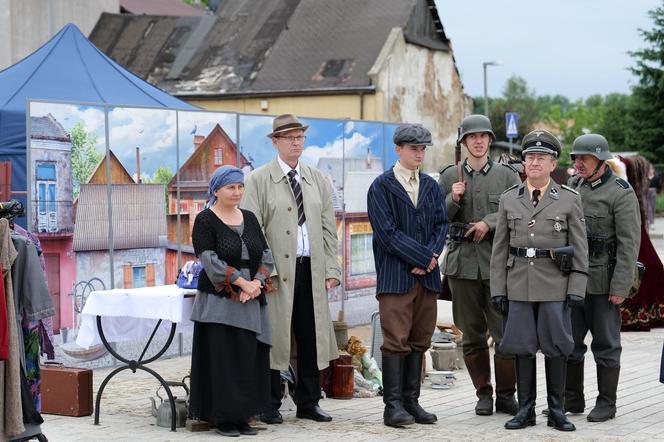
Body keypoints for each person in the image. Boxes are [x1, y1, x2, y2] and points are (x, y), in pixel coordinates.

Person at [241, 114, 341, 424]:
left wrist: (332, 269)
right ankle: (269, 403)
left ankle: (309, 402)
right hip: (275, 274)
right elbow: (251, 231)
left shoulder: (317, 179)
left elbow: (327, 229)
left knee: (311, 336)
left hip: (311, 268)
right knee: (275, 337)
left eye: (300, 137)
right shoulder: (258, 179)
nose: (296, 143)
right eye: (289, 138)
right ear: (275, 142)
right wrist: (262, 272)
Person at [490, 129, 588, 432]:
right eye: (530, 157)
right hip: (519, 283)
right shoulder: (509, 199)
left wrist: (576, 288)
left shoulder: (569, 200)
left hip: (555, 284)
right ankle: (527, 410)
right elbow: (499, 249)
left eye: (541, 158)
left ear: (552, 163)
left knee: (557, 346)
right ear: (523, 163)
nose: (534, 162)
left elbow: (580, 249)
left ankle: (557, 410)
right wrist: (498, 289)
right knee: (521, 346)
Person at [438, 115, 521, 416]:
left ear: (489, 140)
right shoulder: (449, 176)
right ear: (463, 142)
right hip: (462, 266)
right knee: (471, 335)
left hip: (498, 266)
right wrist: (453, 199)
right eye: (472, 137)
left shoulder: (507, 176)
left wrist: (489, 221)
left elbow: (519, 213)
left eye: (483, 136)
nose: (478, 141)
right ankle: (483, 393)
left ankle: (507, 395)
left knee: (505, 334)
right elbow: (438, 217)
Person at [367, 123, 448, 427]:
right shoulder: (381, 187)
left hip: (426, 277)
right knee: (395, 341)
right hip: (395, 278)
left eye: (423, 148)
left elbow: (442, 225)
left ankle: (412, 403)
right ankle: (392, 407)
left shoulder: (429, 184)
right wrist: (423, 257)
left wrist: (430, 259)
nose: (419, 153)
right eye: (414, 148)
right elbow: (387, 234)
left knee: (420, 340)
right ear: (398, 149)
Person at [188, 165, 274, 437]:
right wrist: (242, 282)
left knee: (247, 359)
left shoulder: (249, 218)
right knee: (223, 359)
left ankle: (243, 416)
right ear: (217, 190)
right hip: (220, 302)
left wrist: (257, 283)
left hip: (251, 299)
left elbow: (266, 254)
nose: (237, 192)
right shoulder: (205, 220)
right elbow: (209, 259)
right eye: (231, 187)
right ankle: (222, 417)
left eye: (240, 186)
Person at [565, 134, 640, 421]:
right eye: (576, 158)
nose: (578, 163)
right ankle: (572, 399)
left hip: (604, 282)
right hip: (574, 280)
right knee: (569, 343)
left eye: (584, 157)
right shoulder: (572, 186)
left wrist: (621, 285)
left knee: (606, 345)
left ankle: (607, 403)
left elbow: (628, 244)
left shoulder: (620, 192)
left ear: (601, 160)